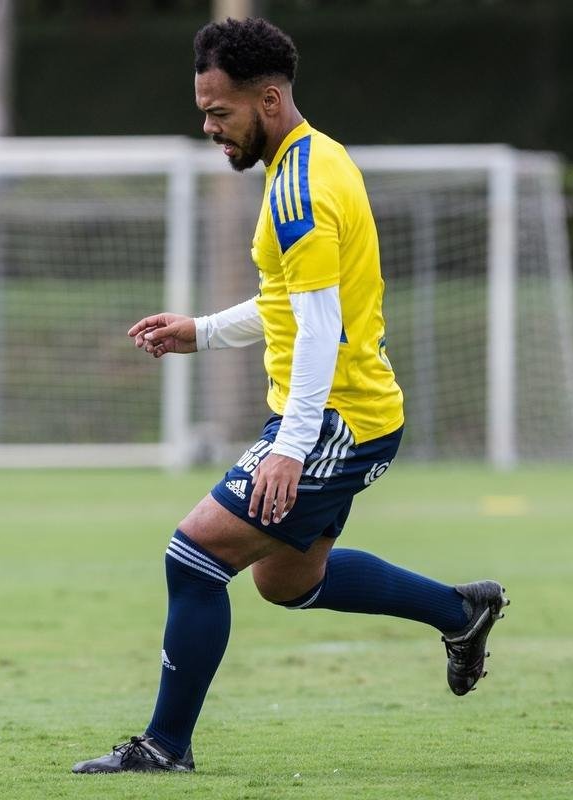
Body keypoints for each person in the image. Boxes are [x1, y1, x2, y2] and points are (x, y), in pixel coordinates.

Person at [72, 17, 509, 775]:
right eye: (204, 110)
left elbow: (317, 325)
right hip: (351, 413)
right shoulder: (312, 161)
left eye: (219, 112)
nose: (208, 127)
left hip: (336, 419)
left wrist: (291, 446)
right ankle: (459, 611)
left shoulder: (300, 189)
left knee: (195, 554)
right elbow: (289, 299)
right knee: (286, 580)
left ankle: (164, 746)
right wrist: (202, 332)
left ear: (269, 99)